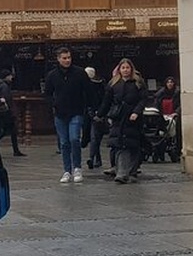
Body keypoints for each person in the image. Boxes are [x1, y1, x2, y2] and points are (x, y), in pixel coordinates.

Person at [96, 58, 148, 184]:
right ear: (119, 69)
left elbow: (143, 99)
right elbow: (107, 101)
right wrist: (100, 114)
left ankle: (132, 171)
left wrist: (136, 112)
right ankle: (122, 172)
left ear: (131, 69)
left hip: (133, 119)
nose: (125, 70)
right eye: (123, 68)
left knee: (133, 145)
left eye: (127, 67)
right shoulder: (113, 84)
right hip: (118, 118)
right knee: (120, 145)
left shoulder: (138, 83)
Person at [44, 47, 90, 183]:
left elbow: (88, 91)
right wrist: (53, 105)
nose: (67, 60)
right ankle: (66, 170)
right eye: (64, 58)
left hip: (76, 111)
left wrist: (89, 107)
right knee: (64, 143)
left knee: (74, 139)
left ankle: (77, 168)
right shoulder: (52, 75)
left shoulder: (80, 73)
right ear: (58, 59)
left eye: (69, 57)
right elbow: (47, 93)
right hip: (60, 113)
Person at [0, 70, 25, 157]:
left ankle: (16, 150)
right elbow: (7, 99)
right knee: (6, 131)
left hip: (3, 111)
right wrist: (12, 111)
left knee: (8, 131)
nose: (12, 78)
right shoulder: (4, 86)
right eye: (10, 76)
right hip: (6, 112)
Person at [84, 67, 107, 169]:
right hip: (95, 114)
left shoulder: (91, 86)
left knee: (94, 136)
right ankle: (97, 159)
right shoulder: (101, 84)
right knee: (95, 137)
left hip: (96, 114)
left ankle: (91, 158)